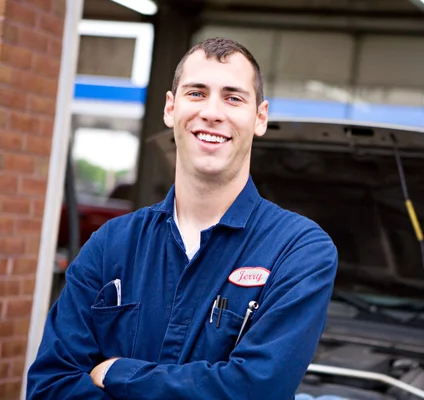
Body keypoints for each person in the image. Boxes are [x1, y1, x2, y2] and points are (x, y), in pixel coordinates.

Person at [27, 37, 338, 400]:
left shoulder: (298, 250)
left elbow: (255, 389)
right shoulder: (111, 244)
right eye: (197, 93)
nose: (212, 112)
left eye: (233, 97)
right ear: (170, 108)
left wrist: (118, 372)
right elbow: (50, 385)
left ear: (260, 117)